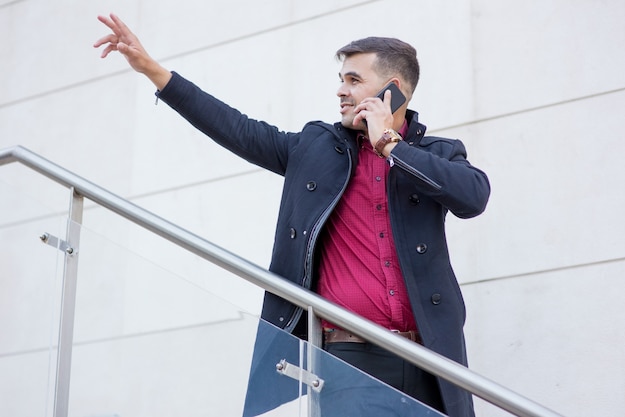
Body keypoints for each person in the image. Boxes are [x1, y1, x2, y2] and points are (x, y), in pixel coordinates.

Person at [95, 13, 490, 417]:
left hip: (432, 362)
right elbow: (237, 128)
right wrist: (153, 71)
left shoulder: (436, 155)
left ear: (395, 91)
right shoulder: (314, 148)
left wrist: (390, 145)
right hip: (349, 360)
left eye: (354, 80)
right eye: (341, 79)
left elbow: (473, 198)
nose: (341, 90)